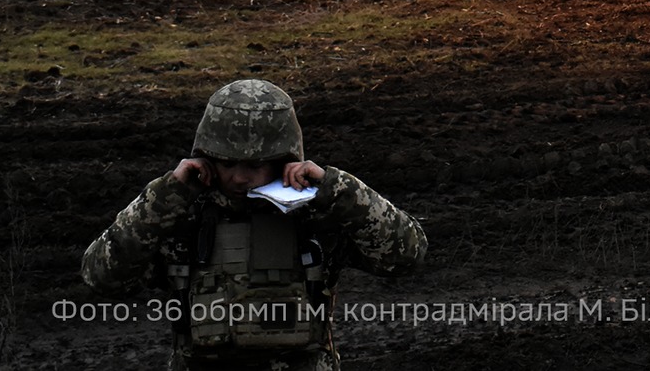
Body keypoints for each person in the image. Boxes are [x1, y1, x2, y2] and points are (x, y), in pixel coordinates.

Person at [82, 78, 427, 370]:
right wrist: (162, 198)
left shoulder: (314, 215)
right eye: (228, 162)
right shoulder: (182, 216)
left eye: (256, 164)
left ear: (284, 160)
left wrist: (338, 189)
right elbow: (103, 277)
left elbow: (405, 255)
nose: (240, 177)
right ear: (206, 156)